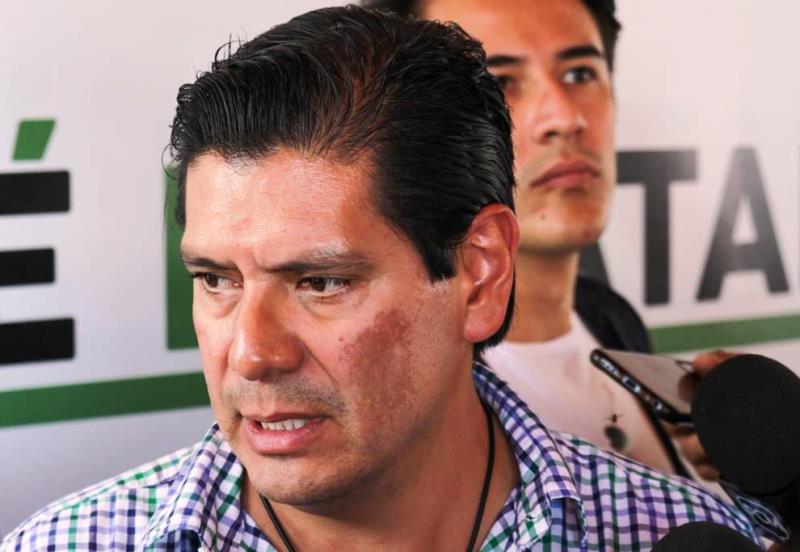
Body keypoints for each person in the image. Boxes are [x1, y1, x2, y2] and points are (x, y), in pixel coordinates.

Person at [3, 6, 759, 551]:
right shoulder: (65, 544)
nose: (252, 354)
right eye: (216, 279)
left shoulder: (669, 532)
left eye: (321, 283)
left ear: (479, 274)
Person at [364, 0, 723, 480]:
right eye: (497, 84)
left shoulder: (609, 317)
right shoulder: (404, 393)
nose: (565, 118)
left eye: (579, 74)